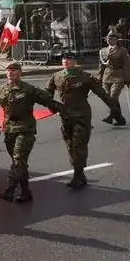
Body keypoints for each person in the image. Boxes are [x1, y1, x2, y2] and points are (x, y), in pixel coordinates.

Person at [45, 51, 125, 189]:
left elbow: (102, 93)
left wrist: (115, 109)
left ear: (75, 62)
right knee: (70, 144)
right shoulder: (56, 76)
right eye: (63, 58)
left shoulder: (85, 77)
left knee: (78, 145)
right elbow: (46, 94)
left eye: (69, 58)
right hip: (65, 116)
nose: (65, 60)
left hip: (81, 115)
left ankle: (77, 175)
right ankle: (80, 174)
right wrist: (53, 107)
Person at [0, 62, 63, 203]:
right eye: (8, 70)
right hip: (9, 130)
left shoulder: (29, 89)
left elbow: (47, 100)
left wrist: (65, 111)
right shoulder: (0, 90)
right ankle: (26, 192)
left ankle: (10, 189)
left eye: (14, 70)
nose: (11, 72)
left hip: (25, 128)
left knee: (18, 158)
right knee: (19, 162)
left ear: (20, 73)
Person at [97, 34, 128, 120]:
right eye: (108, 39)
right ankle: (120, 119)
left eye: (112, 39)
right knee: (110, 98)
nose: (110, 40)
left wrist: (127, 78)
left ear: (116, 40)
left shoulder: (122, 51)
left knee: (113, 96)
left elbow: (126, 64)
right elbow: (101, 65)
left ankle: (110, 116)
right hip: (107, 76)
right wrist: (99, 78)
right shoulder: (103, 51)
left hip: (119, 75)